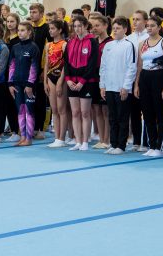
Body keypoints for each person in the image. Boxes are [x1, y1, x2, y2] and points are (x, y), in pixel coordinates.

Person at [134, 16, 163, 157]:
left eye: (152, 25)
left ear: (159, 27)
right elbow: (139, 66)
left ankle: (159, 146)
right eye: (148, 25)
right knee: (147, 112)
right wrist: (137, 84)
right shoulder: (142, 44)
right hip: (144, 77)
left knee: (159, 112)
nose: (149, 28)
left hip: (159, 77)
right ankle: (151, 144)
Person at [99, 16, 137, 155]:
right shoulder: (108, 46)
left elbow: (131, 67)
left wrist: (126, 86)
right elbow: (103, 67)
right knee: (112, 117)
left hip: (122, 87)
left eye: (118, 28)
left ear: (125, 29)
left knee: (122, 117)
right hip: (109, 86)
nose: (115, 31)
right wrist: (102, 85)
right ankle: (113, 143)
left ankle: (121, 145)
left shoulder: (129, 45)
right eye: (113, 28)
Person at [64, 15, 100, 152]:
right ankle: (77, 141)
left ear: (85, 26)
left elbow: (92, 64)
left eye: (80, 26)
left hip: (87, 82)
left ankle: (85, 141)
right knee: (75, 112)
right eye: (75, 26)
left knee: (85, 113)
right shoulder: (70, 42)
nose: (77, 29)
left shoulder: (92, 42)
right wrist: (68, 79)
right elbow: (66, 62)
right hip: (72, 82)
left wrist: (82, 81)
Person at [8, 21, 40, 146]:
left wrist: (30, 84)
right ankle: (23, 136)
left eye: (22, 30)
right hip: (17, 84)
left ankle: (29, 138)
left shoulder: (33, 47)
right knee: (20, 111)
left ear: (29, 32)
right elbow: (12, 65)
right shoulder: (15, 47)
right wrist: (10, 83)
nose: (19, 32)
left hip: (28, 85)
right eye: (19, 30)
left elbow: (35, 67)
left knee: (29, 110)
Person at [44, 19, 70, 148]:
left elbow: (66, 64)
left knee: (62, 109)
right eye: (50, 29)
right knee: (54, 109)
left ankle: (62, 138)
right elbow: (47, 64)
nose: (50, 31)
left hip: (61, 77)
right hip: (50, 77)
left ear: (60, 30)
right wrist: (45, 82)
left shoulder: (64, 44)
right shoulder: (48, 45)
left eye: (53, 28)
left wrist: (60, 81)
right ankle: (56, 138)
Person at [126, 10, 149, 151]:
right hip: (132, 77)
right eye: (133, 19)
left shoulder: (149, 37)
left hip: (145, 76)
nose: (135, 22)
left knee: (146, 111)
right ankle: (136, 141)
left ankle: (146, 142)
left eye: (138, 19)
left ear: (145, 21)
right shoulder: (128, 38)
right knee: (134, 111)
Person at [89, 14, 112, 149]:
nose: (95, 28)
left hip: (105, 78)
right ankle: (101, 138)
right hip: (93, 78)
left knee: (105, 110)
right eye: (93, 26)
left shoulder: (110, 42)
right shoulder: (93, 42)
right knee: (96, 109)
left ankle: (107, 139)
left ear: (105, 25)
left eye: (97, 26)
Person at [28, 3, 50, 138]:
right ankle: (33, 127)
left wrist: (44, 70)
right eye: (30, 12)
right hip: (29, 69)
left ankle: (41, 128)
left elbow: (49, 51)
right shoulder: (29, 28)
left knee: (41, 100)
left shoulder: (46, 28)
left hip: (41, 69)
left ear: (42, 14)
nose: (32, 14)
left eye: (34, 12)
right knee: (30, 99)